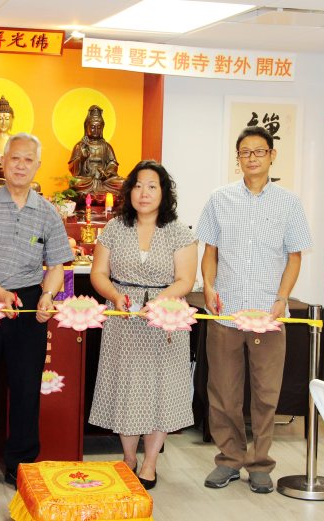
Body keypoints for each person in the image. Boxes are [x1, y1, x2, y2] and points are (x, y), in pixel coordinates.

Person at [0, 133, 74, 492]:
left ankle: (20, 463)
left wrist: (47, 295)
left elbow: (57, 265)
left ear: (37, 166)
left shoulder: (47, 212)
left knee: (25, 386)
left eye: (28, 160)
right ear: (2, 163)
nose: (20, 166)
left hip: (27, 305)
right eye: (14, 159)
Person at [196, 126, 312, 494]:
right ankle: (229, 460)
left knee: (265, 393)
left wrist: (282, 297)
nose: (252, 158)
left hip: (267, 314)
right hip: (226, 312)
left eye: (259, 151)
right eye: (245, 152)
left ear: (272, 156)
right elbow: (210, 251)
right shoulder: (219, 199)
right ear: (238, 159)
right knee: (223, 392)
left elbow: (294, 257)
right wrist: (209, 286)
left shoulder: (289, 203)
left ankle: (261, 464)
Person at [88, 160, 198, 490]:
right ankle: (128, 458)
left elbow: (186, 279)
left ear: (164, 193)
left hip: (166, 318)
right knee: (127, 389)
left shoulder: (179, 231)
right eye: (138, 186)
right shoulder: (114, 228)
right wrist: (114, 295)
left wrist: (159, 301)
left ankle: (150, 462)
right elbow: (98, 273)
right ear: (129, 191)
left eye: (152, 186)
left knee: (162, 389)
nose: (144, 193)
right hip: (124, 317)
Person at [68, 105, 123, 206]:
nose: (96, 130)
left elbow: (113, 163)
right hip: (87, 181)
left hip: (104, 181)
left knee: (123, 183)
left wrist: (107, 173)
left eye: (99, 127)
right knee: (75, 182)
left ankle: (99, 194)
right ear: (87, 127)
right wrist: (82, 158)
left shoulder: (106, 146)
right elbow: (72, 168)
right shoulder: (80, 146)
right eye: (93, 127)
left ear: (102, 129)